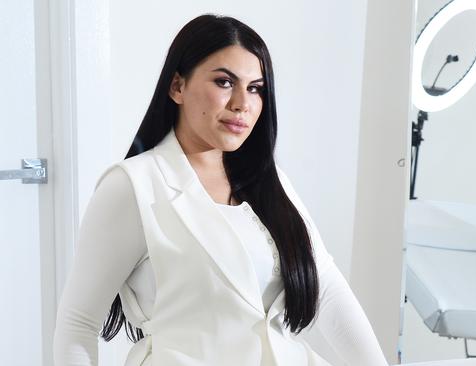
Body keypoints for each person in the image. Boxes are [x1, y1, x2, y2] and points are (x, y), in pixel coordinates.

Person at [53, 14, 389, 366]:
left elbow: (328, 292)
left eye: (256, 88)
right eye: (225, 82)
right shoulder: (132, 186)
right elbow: (78, 323)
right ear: (177, 87)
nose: (242, 103)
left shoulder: (270, 183)